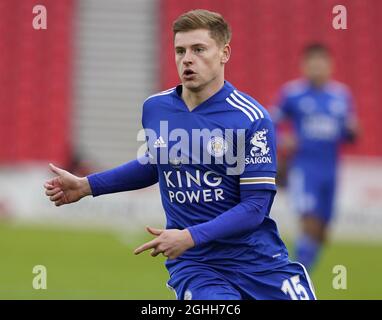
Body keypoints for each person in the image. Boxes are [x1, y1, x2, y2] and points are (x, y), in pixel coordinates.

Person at [44, 9, 316, 300]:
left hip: (258, 263)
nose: (187, 58)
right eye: (180, 50)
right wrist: (87, 185)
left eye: (199, 49)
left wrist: (189, 236)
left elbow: (255, 207)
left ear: (224, 53)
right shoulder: (156, 108)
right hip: (196, 264)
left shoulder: (251, 118)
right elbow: (157, 163)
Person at [272, 43, 359, 271]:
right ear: (304, 66)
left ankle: (296, 271)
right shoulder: (293, 94)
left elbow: (349, 134)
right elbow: (270, 123)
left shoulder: (341, 95)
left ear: (330, 66)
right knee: (309, 222)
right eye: (312, 63)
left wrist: (351, 131)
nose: (317, 68)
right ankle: (294, 279)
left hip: (330, 170)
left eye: (321, 63)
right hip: (304, 168)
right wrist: (284, 140)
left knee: (321, 231)